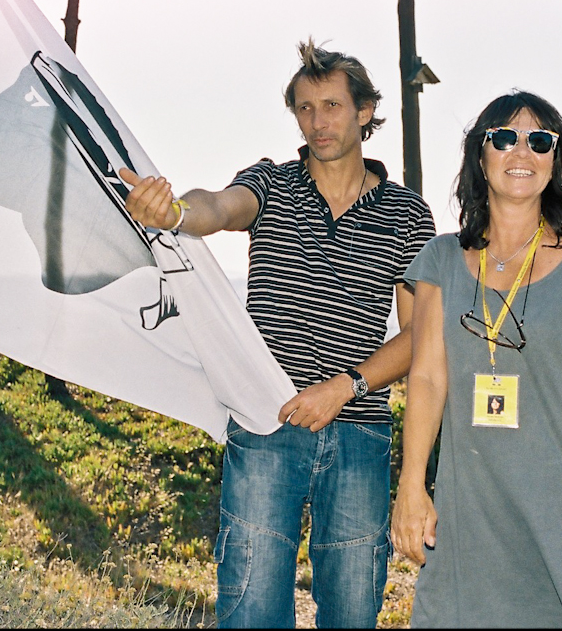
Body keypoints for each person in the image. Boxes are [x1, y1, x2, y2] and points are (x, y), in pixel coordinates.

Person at [122, 40, 435, 628]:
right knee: (252, 610)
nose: (318, 122)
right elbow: (218, 206)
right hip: (266, 422)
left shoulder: (408, 213)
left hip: (359, 431)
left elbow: (422, 335)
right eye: (305, 108)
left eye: (332, 106)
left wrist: (344, 388)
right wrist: (175, 214)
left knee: (352, 614)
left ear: (365, 111)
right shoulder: (272, 182)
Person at [391, 91, 562, 628]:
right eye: (504, 138)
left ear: (555, 161)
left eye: (540, 141)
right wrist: (412, 484)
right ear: (480, 157)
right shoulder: (440, 260)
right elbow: (426, 378)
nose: (522, 151)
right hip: (468, 512)